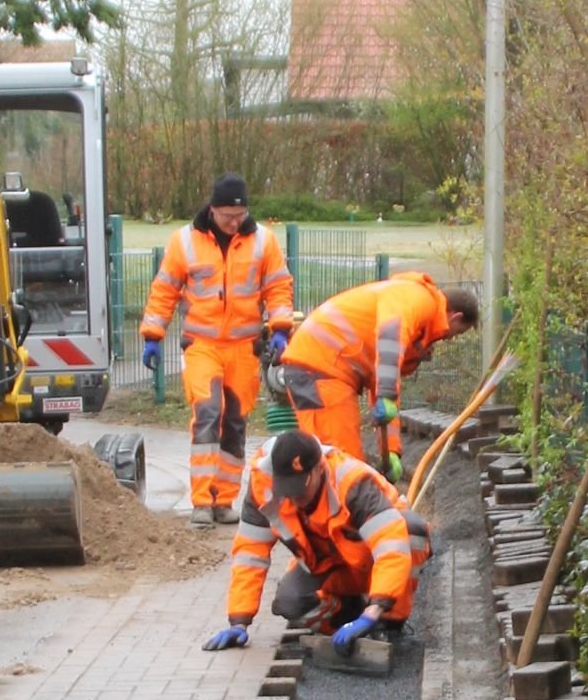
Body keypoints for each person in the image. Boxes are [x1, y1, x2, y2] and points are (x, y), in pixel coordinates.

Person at [141, 173, 295, 526]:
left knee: (235, 422)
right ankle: (201, 500)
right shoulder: (185, 242)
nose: (234, 222)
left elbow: (278, 288)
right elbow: (165, 289)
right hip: (202, 346)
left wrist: (281, 329)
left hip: (244, 348)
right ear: (212, 210)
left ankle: (224, 500)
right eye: (227, 215)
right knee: (208, 413)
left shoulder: (263, 242)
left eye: (240, 216)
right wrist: (153, 334)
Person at [203, 431, 432, 655]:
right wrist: (239, 620)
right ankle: (349, 617)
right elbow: (250, 554)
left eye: (300, 489)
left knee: (412, 532)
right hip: (327, 566)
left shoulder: (352, 483)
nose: (294, 498)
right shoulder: (262, 485)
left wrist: (375, 609)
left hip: (373, 565)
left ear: (319, 468)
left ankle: (388, 625)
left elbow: (391, 548)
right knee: (289, 602)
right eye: (287, 489)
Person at [271, 272, 478, 482]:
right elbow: (390, 336)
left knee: (340, 465)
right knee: (341, 464)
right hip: (319, 367)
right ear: (456, 317)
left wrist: (391, 452)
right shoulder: (418, 298)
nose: (449, 339)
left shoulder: (413, 311)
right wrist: (386, 393)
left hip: (325, 369)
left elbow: (384, 391)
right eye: (456, 333)